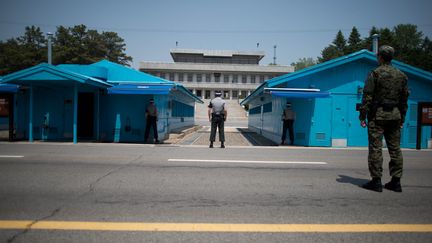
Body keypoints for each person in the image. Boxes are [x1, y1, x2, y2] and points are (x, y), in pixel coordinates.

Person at [359, 45, 409, 193]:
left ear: (380, 57)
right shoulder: (402, 75)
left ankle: (376, 181)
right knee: (395, 149)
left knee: (376, 148)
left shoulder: (375, 74)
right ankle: (396, 181)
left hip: (378, 116)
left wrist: (362, 116)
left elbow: (367, 96)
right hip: (395, 116)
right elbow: (404, 99)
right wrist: (402, 118)